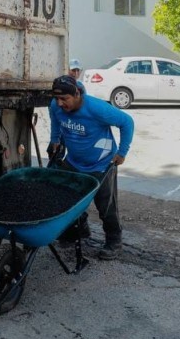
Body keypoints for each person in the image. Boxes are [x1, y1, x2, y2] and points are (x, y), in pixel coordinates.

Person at [48, 74, 134, 260]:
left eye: (65, 99)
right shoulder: (56, 106)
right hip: (73, 161)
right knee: (69, 201)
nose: (60, 103)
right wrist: (55, 140)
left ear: (77, 93)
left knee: (106, 206)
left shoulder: (96, 108)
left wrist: (122, 152)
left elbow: (127, 122)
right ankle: (80, 230)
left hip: (101, 164)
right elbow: (55, 119)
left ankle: (114, 241)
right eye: (57, 98)